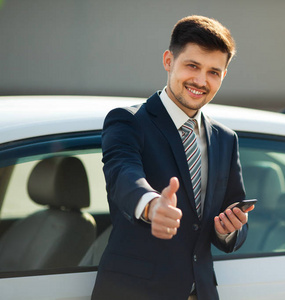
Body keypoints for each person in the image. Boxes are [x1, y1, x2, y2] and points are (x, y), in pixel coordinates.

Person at [91, 15, 252, 300]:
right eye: (192, 66)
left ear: (223, 75)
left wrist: (229, 230)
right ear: (168, 61)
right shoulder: (128, 122)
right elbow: (122, 174)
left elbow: (233, 216)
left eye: (214, 72)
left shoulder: (226, 139)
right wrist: (152, 205)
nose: (201, 81)